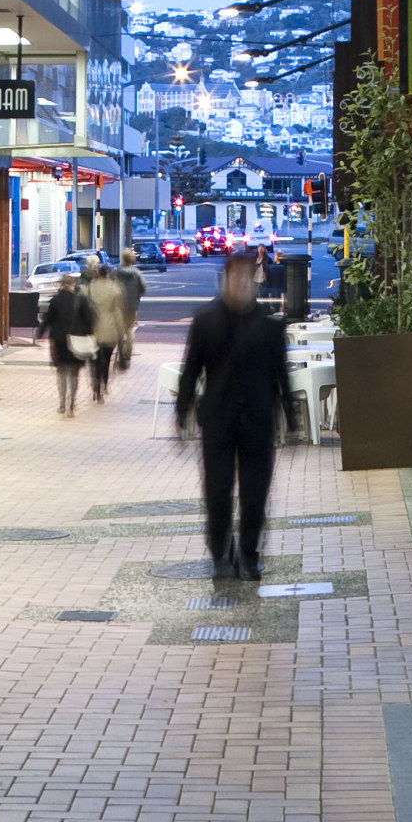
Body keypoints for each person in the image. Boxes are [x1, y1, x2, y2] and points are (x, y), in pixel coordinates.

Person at [175, 244, 299, 582]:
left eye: (247, 279)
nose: (242, 285)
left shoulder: (270, 327)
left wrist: (290, 415)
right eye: (236, 279)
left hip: (258, 420)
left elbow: (281, 374)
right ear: (225, 280)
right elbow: (191, 370)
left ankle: (248, 554)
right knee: (217, 492)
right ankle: (220, 555)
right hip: (217, 420)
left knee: (255, 493)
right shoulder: (206, 322)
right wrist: (182, 410)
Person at [45, 266, 96, 416]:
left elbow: (48, 319)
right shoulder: (80, 300)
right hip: (76, 340)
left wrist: (42, 332)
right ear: (72, 284)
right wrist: (90, 334)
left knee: (61, 372)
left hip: (59, 341)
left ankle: (62, 403)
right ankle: (71, 405)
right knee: (74, 373)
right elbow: (90, 320)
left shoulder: (55, 300)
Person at [85, 253, 127, 402]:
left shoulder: (90, 288)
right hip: (110, 329)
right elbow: (117, 311)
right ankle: (104, 385)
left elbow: (85, 308)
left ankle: (95, 386)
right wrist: (122, 332)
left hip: (93, 329)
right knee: (106, 360)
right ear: (107, 274)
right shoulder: (114, 289)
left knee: (94, 359)